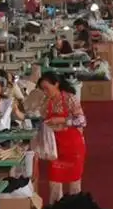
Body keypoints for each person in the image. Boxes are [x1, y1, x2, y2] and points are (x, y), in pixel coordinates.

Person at [37, 73, 86, 201]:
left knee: (74, 182)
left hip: (73, 146)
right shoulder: (45, 101)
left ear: (56, 84)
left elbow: (82, 121)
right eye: (42, 89)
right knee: (54, 182)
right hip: (55, 146)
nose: (45, 92)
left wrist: (62, 120)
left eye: (46, 88)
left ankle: (75, 208)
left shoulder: (70, 99)